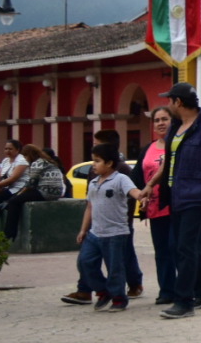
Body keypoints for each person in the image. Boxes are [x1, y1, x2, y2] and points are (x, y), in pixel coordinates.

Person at [155, 82, 201, 319]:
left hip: (197, 196)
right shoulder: (177, 127)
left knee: (184, 248)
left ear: (178, 102)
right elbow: (168, 162)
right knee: (184, 247)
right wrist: (150, 186)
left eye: (169, 100)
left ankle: (184, 301)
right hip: (178, 195)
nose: (168, 105)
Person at [67, 144, 148, 312]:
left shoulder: (120, 179)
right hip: (95, 232)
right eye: (93, 161)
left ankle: (118, 298)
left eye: (97, 161)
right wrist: (83, 230)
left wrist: (141, 197)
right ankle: (103, 291)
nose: (93, 165)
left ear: (110, 163)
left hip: (116, 233)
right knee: (85, 262)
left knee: (115, 268)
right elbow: (90, 207)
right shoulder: (94, 183)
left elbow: (133, 191)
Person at [92, 128, 144, 298]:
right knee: (89, 257)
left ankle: (133, 284)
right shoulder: (95, 169)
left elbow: (132, 193)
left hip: (119, 223)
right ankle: (87, 288)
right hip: (98, 223)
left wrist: (126, 218)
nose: (94, 147)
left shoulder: (121, 170)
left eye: (97, 144)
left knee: (123, 256)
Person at [139, 108, 179, 304]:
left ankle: (187, 288)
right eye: (157, 120)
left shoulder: (179, 145)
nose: (161, 123)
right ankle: (166, 291)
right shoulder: (148, 149)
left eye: (165, 119)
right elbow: (138, 177)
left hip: (176, 206)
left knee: (177, 248)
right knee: (162, 252)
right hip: (155, 208)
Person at [1, 144, 66, 242]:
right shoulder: (48, 161)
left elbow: (31, 183)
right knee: (16, 199)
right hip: (55, 192)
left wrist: (19, 194)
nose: (25, 159)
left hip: (45, 191)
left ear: (30, 155)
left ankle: (9, 233)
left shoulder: (37, 163)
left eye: (25, 156)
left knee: (14, 202)